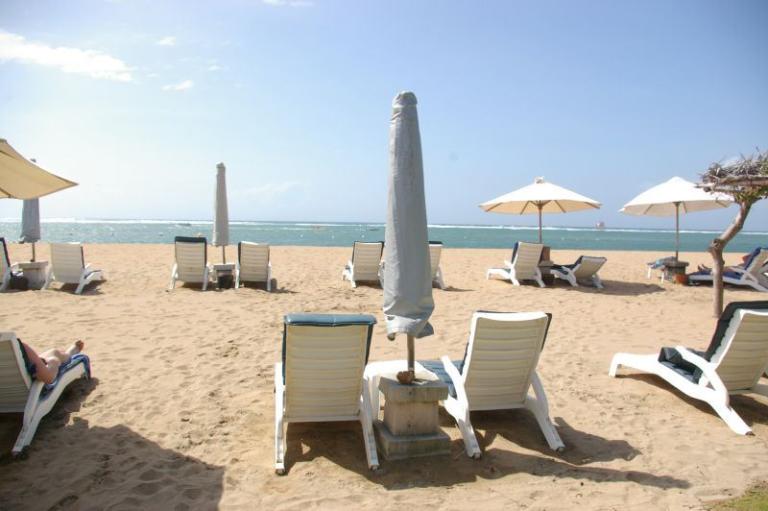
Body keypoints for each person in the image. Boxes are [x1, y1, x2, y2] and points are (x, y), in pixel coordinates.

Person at [20, 340, 85, 384]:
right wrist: (53, 362)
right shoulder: (19, 346)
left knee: (52, 353)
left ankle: (68, 354)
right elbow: (48, 378)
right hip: (34, 379)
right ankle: (68, 355)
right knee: (54, 355)